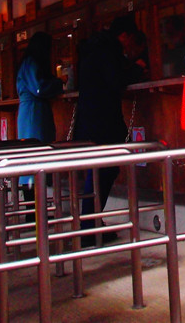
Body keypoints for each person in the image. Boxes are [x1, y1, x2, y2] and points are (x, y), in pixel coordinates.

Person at [73, 15, 144, 244]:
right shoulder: (108, 51)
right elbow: (116, 81)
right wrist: (137, 68)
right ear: (123, 35)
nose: (127, 44)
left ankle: (90, 223)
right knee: (103, 171)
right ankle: (88, 227)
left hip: (90, 119)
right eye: (129, 38)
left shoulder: (93, 48)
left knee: (98, 171)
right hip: (103, 120)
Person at [15, 32, 62, 144]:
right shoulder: (31, 63)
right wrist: (59, 82)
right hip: (34, 112)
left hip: (32, 110)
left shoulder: (28, 62)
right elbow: (39, 88)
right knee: (36, 146)